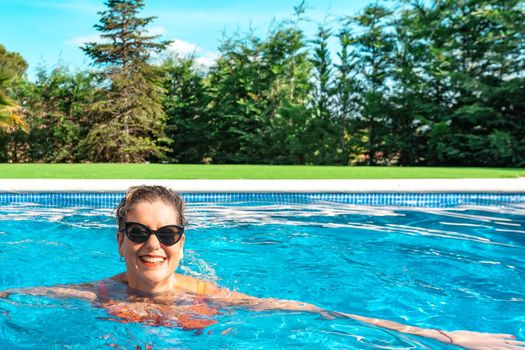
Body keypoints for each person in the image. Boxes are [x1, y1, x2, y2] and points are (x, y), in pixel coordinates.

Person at [1, 185, 524, 349]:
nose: (152, 245)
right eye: (138, 233)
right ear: (120, 242)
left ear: (182, 242)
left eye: (167, 234)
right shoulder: (97, 295)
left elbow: (309, 310)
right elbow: (22, 292)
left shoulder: (206, 293)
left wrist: (437, 334)